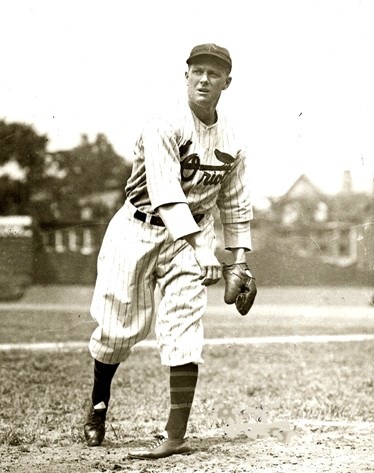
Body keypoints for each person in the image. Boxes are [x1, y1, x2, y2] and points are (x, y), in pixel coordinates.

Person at [84, 43, 254, 459]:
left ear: (226, 83)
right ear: (186, 76)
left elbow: (234, 201)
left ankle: (175, 434)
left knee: (184, 328)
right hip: (138, 227)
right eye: (197, 71)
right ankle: (98, 403)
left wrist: (241, 261)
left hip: (193, 236)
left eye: (214, 74)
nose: (203, 79)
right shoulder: (163, 125)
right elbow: (165, 193)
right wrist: (202, 248)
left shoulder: (234, 138)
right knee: (116, 329)